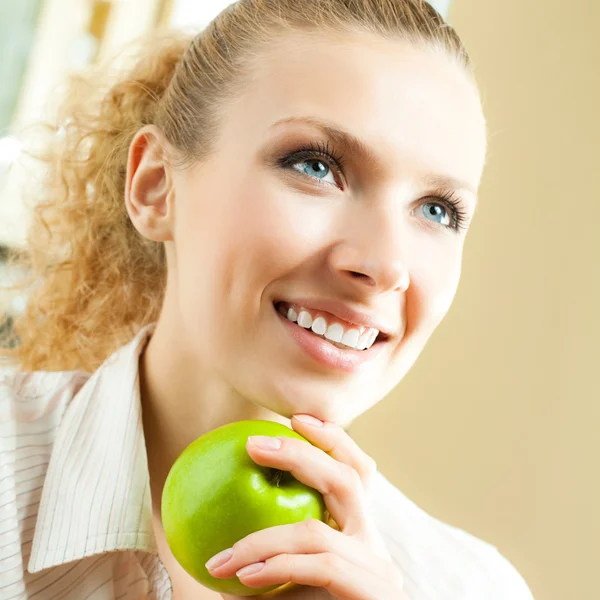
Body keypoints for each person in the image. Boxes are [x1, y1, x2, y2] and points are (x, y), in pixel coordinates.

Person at [0, 0, 535, 598]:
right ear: (155, 186)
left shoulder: (471, 587)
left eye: (438, 210)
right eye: (314, 165)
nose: (385, 266)